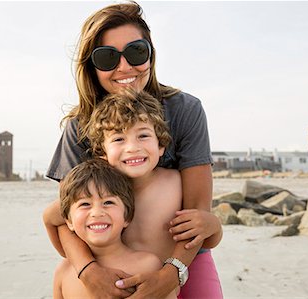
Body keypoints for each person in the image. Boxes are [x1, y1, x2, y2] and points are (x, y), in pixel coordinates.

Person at [45, 1, 223, 298]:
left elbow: (199, 217)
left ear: (151, 53)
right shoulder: (80, 126)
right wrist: (89, 272)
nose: (124, 67)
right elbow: (68, 217)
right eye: (106, 58)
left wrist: (172, 272)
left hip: (184, 256)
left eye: (136, 52)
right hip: (104, 263)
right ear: (91, 65)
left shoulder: (184, 110)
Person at [53, 158, 177, 299]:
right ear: (69, 221)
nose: (97, 212)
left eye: (108, 202)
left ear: (127, 217)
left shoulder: (148, 265)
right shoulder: (64, 272)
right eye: (85, 204)